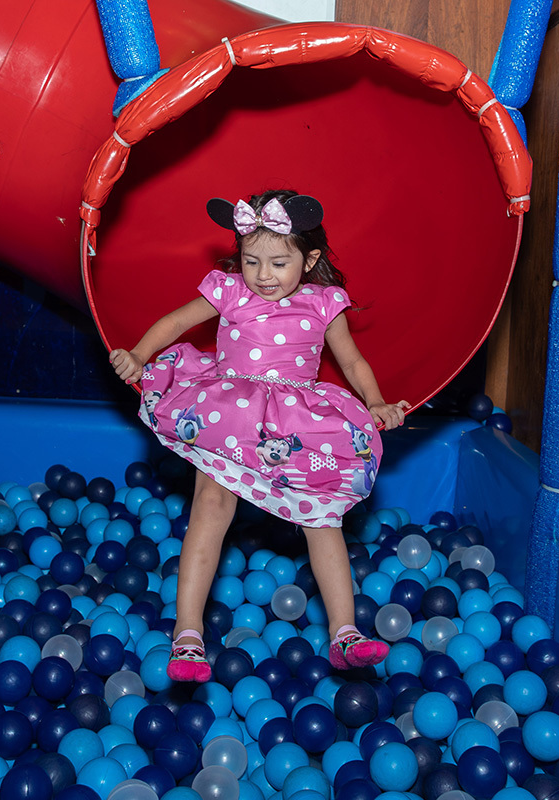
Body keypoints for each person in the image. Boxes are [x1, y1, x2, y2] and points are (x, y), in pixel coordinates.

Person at [109, 189, 409, 682]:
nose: (263, 275)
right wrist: (139, 356)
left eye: (277, 263)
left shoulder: (322, 303)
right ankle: (187, 634)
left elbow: (352, 361)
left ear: (309, 259)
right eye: (252, 261)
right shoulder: (229, 291)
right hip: (230, 412)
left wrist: (375, 402)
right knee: (212, 502)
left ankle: (344, 632)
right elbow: (176, 322)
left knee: (323, 516)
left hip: (296, 423)